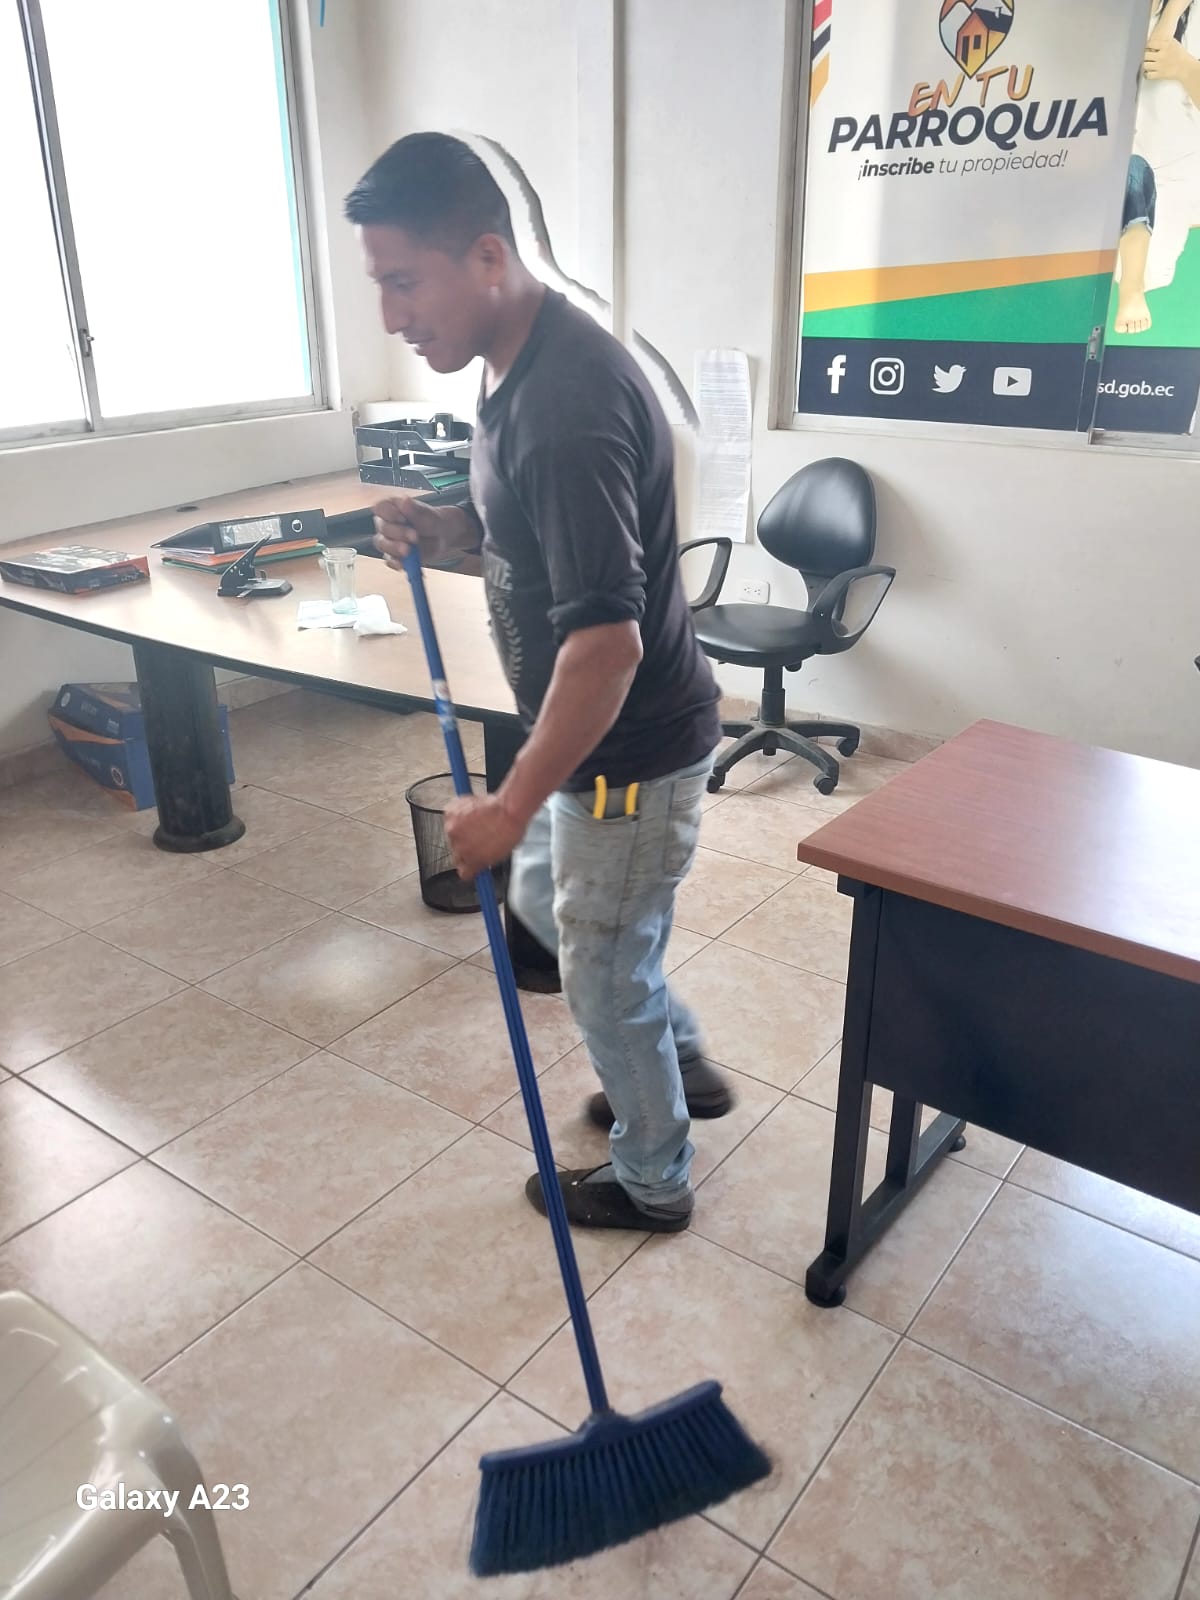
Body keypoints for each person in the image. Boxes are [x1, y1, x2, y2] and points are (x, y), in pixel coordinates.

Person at [344, 132, 732, 1233]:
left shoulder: (563, 404)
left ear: (485, 256)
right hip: (601, 748)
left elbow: (606, 647)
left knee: (601, 977)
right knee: (550, 912)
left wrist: (509, 806)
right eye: (379, 286)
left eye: (404, 282)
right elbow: (528, 530)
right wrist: (447, 528)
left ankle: (654, 1177)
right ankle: (677, 1058)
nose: (392, 315)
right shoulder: (512, 360)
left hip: (627, 755)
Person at [1115, 0, 1200, 335]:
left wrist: (1185, 67)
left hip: (1170, 170)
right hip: (1102, 163)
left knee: (1134, 173)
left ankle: (1133, 285)